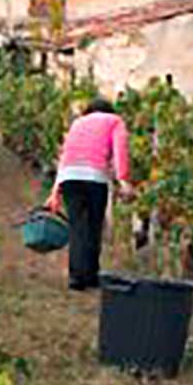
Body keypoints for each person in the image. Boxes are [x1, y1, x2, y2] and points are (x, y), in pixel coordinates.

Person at [46, 97, 132, 291]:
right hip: (94, 177)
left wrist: (55, 192)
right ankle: (91, 275)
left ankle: (76, 277)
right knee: (94, 226)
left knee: (77, 226)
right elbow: (120, 151)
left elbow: (65, 156)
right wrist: (123, 180)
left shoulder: (77, 123)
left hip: (69, 177)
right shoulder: (115, 121)